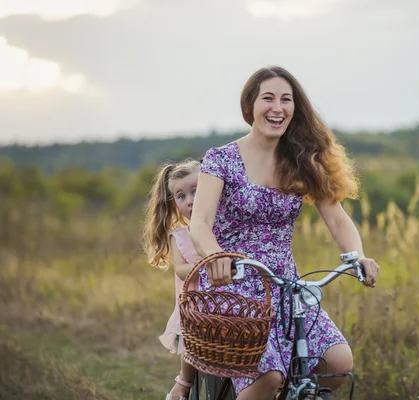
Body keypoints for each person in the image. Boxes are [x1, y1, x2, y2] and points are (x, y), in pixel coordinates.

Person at [189, 65, 380, 400]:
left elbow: (336, 218)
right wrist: (217, 257)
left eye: (286, 100)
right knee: (269, 376)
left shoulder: (300, 160)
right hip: (232, 283)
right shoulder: (220, 159)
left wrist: (357, 256)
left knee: (337, 363)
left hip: (284, 286)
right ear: (250, 105)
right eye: (268, 98)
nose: (278, 108)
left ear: (295, 109)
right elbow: (200, 223)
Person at [142, 158, 203, 400]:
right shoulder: (179, 236)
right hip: (194, 302)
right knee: (191, 339)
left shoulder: (224, 227)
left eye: (196, 192)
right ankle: (183, 385)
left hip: (224, 301)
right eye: (181, 196)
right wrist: (206, 264)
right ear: (174, 203)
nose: (189, 201)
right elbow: (180, 269)